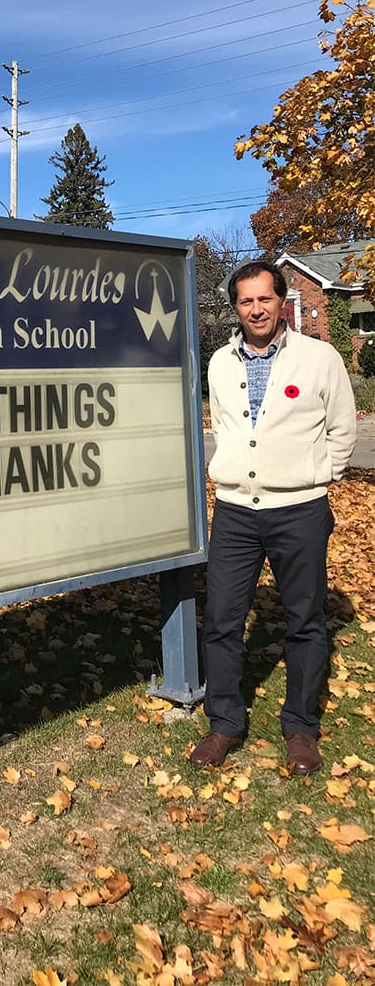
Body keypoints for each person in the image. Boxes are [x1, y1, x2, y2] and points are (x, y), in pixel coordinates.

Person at [190, 260, 357, 774]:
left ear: (282, 301)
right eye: (246, 301)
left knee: (304, 620)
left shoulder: (319, 357)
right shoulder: (219, 362)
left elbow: (342, 429)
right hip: (237, 511)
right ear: (235, 307)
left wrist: (315, 475)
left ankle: (301, 728)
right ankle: (224, 724)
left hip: (299, 510)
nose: (256, 309)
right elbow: (222, 424)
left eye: (265, 299)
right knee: (221, 620)